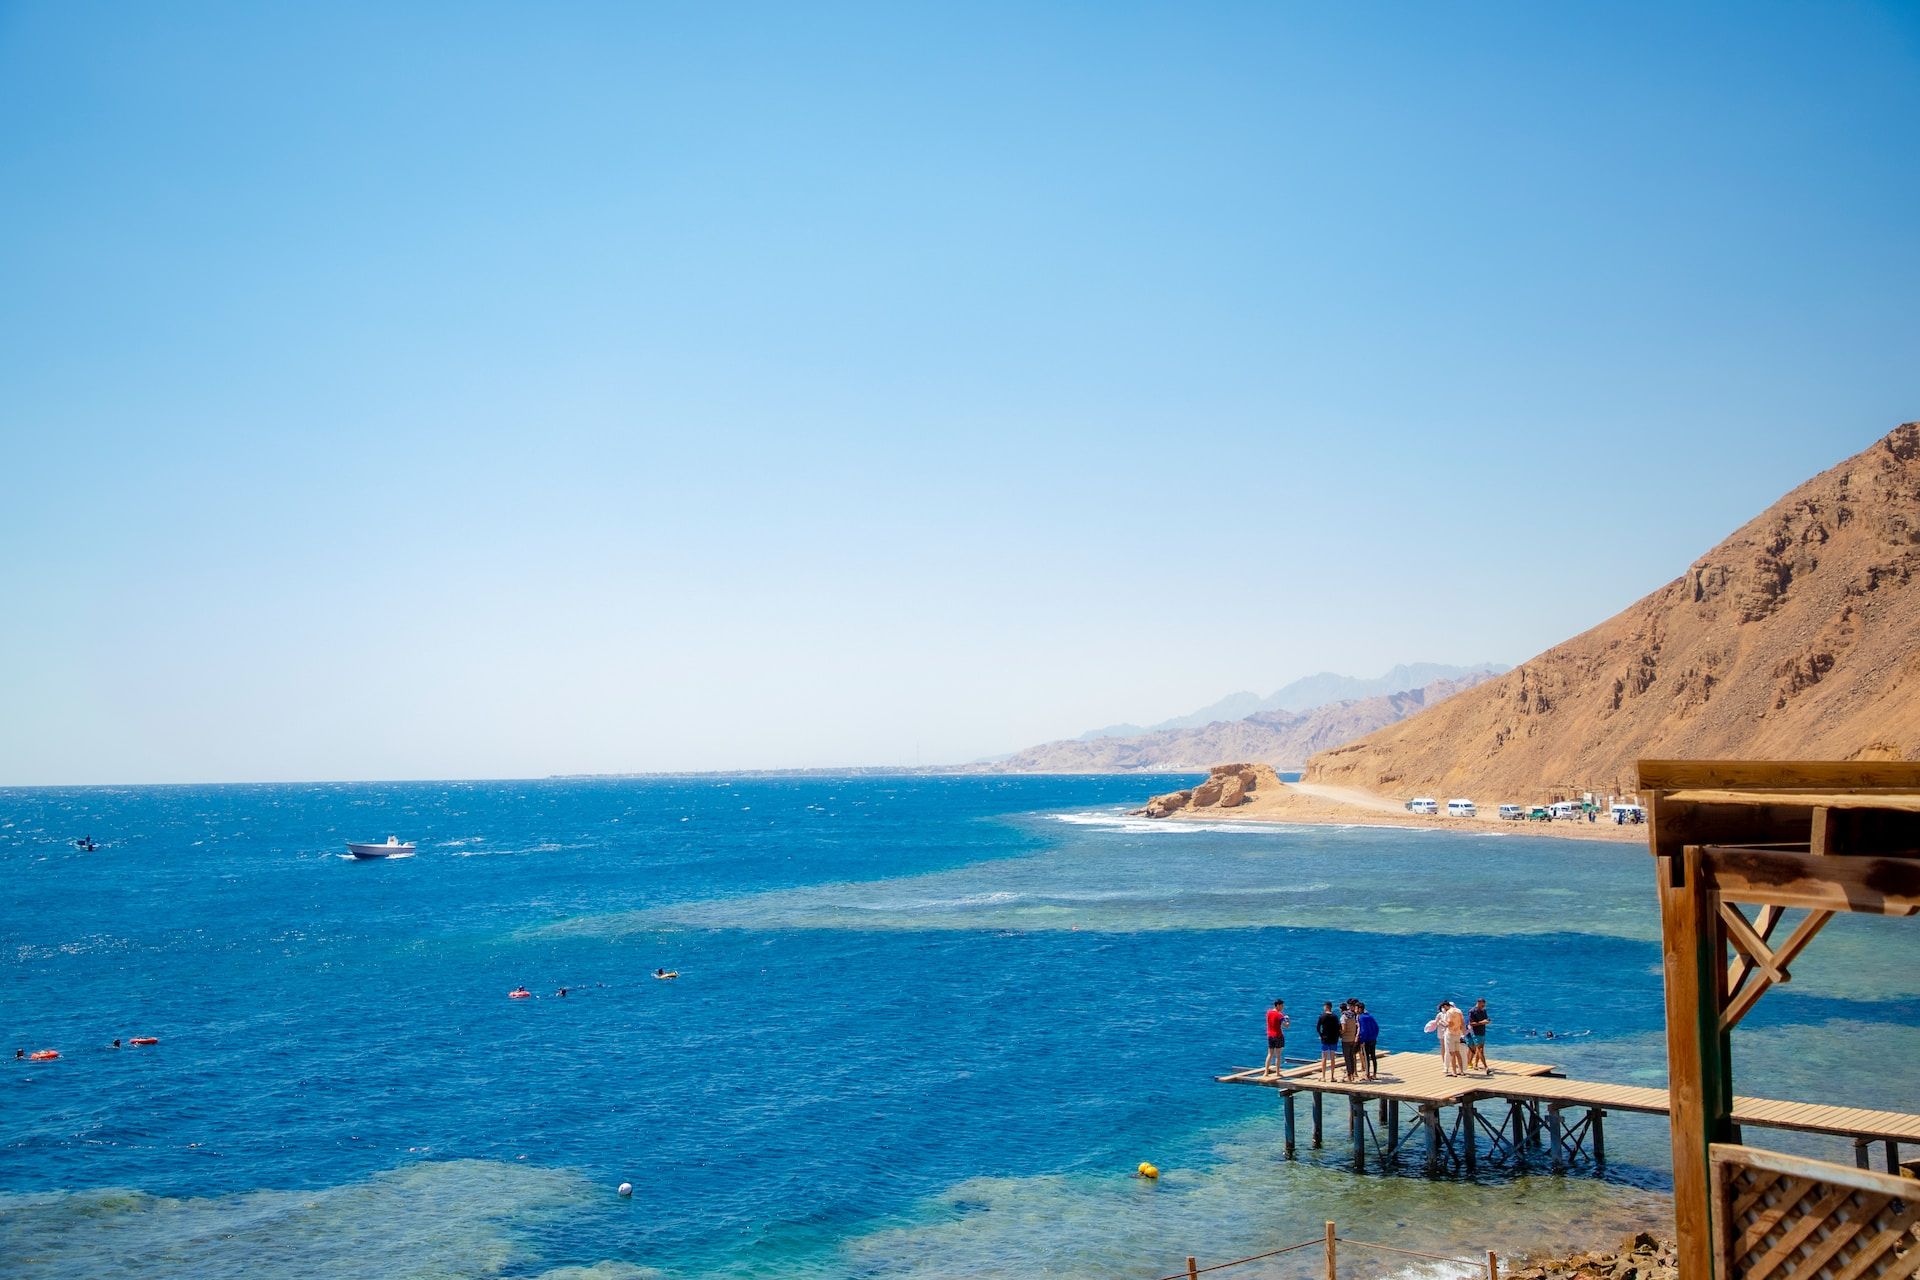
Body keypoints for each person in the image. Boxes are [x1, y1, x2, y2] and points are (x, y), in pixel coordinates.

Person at [1315, 1002, 1341, 1081]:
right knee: (1333, 1058)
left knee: (1324, 1058)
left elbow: (1318, 1027)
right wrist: (1337, 1037)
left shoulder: (1322, 1016)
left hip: (1325, 1039)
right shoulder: (1335, 1017)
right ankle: (1332, 1077)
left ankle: (1323, 1077)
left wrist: (1321, 1035)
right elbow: (1338, 1028)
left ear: (1326, 1007)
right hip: (1333, 1039)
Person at [1263, 1000, 1290, 1076]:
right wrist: (1288, 1020)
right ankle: (1278, 1072)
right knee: (1278, 1055)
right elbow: (1286, 1026)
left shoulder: (1268, 1012)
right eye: (1282, 1006)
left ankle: (1266, 1072)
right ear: (1277, 1005)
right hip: (1278, 1035)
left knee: (1269, 1054)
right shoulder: (1279, 1015)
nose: (1283, 1007)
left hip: (1270, 1035)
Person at [1355, 1002, 1380, 1080]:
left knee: (1366, 1057)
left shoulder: (1360, 1017)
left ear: (1359, 1009)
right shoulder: (1370, 1016)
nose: (1355, 1010)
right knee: (1373, 1056)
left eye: (1356, 1008)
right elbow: (1377, 1027)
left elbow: (1363, 1030)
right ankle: (1375, 1074)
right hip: (1373, 1039)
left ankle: (1367, 1074)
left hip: (1366, 1040)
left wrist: (1362, 1041)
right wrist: (1374, 1036)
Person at [1445, 1001, 1469, 1075]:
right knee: (1458, 1053)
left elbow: (1449, 1024)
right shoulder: (1459, 1011)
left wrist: (1442, 1022)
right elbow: (1462, 1023)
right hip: (1458, 1034)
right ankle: (1461, 1071)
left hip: (1451, 1034)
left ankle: (1454, 1072)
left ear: (1446, 1006)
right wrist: (1463, 1034)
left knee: (1452, 1053)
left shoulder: (1449, 1012)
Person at [1339, 1001, 1361, 1082]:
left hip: (1346, 1040)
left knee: (1347, 1058)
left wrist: (1339, 1033)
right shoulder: (1352, 1016)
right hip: (1352, 1038)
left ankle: (1349, 1076)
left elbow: (1344, 1029)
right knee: (1352, 1057)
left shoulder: (1343, 1017)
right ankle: (1352, 1074)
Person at [1467, 998, 1490, 1072]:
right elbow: (1471, 1023)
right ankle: (1486, 1067)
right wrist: (1481, 1022)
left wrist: (1487, 1021)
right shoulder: (1472, 1011)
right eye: (1482, 1005)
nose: (1483, 1006)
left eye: (1484, 1005)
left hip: (1482, 1032)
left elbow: (1486, 1019)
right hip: (1475, 1032)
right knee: (1480, 1050)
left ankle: (1476, 1064)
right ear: (1478, 1003)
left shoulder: (1484, 1011)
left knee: (1480, 1049)